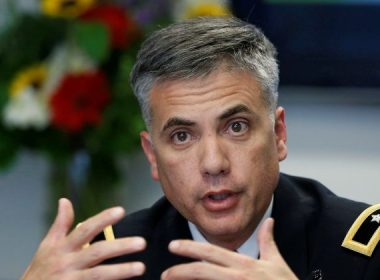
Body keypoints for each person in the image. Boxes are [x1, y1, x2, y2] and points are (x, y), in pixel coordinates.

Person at [22, 16, 379, 280]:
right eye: (181, 136)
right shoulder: (106, 264)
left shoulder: (363, 253)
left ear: (278, 134)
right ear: (153, 157)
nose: (213, 163)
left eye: (236, 127)